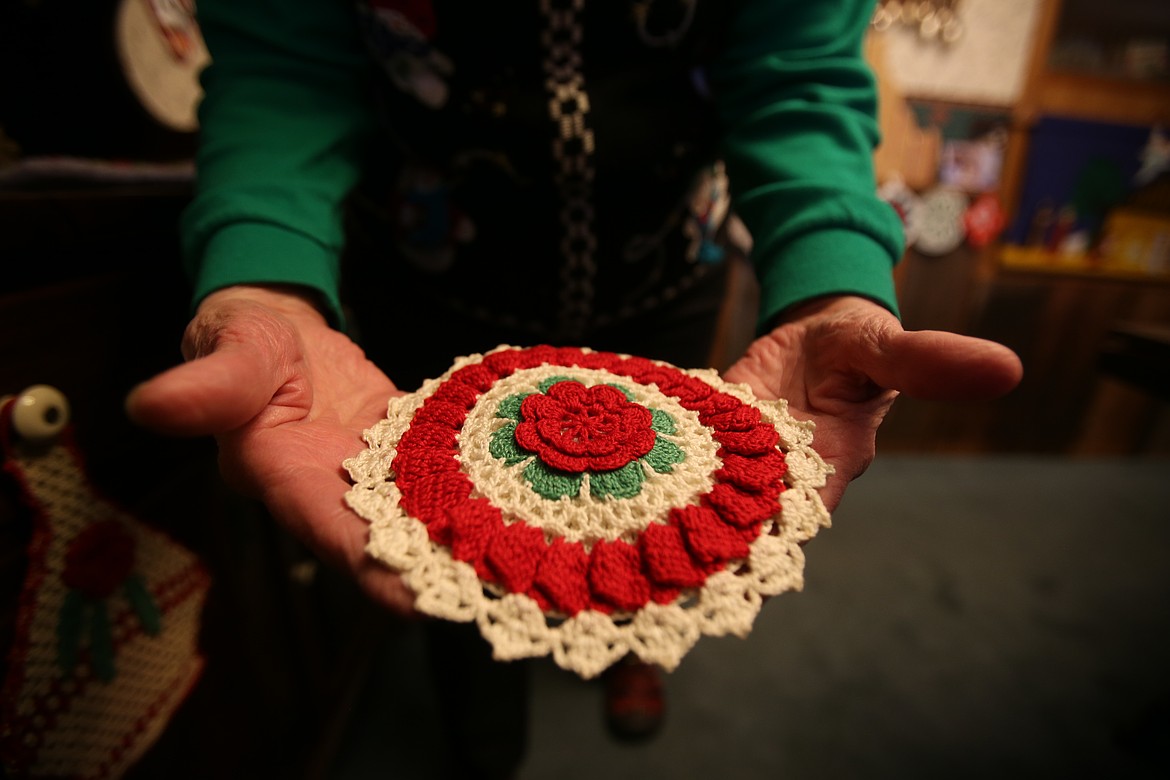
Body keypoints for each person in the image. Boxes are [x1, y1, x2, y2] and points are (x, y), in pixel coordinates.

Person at [125, 0, 1023, 776]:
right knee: (453, 545)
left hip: (666, 278)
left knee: (667, 509)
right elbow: (284, 65)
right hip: (435, 286)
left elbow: (799, 71)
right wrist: (262, 273)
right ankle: (482, 742)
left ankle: (638, 653)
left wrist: (835, 275)